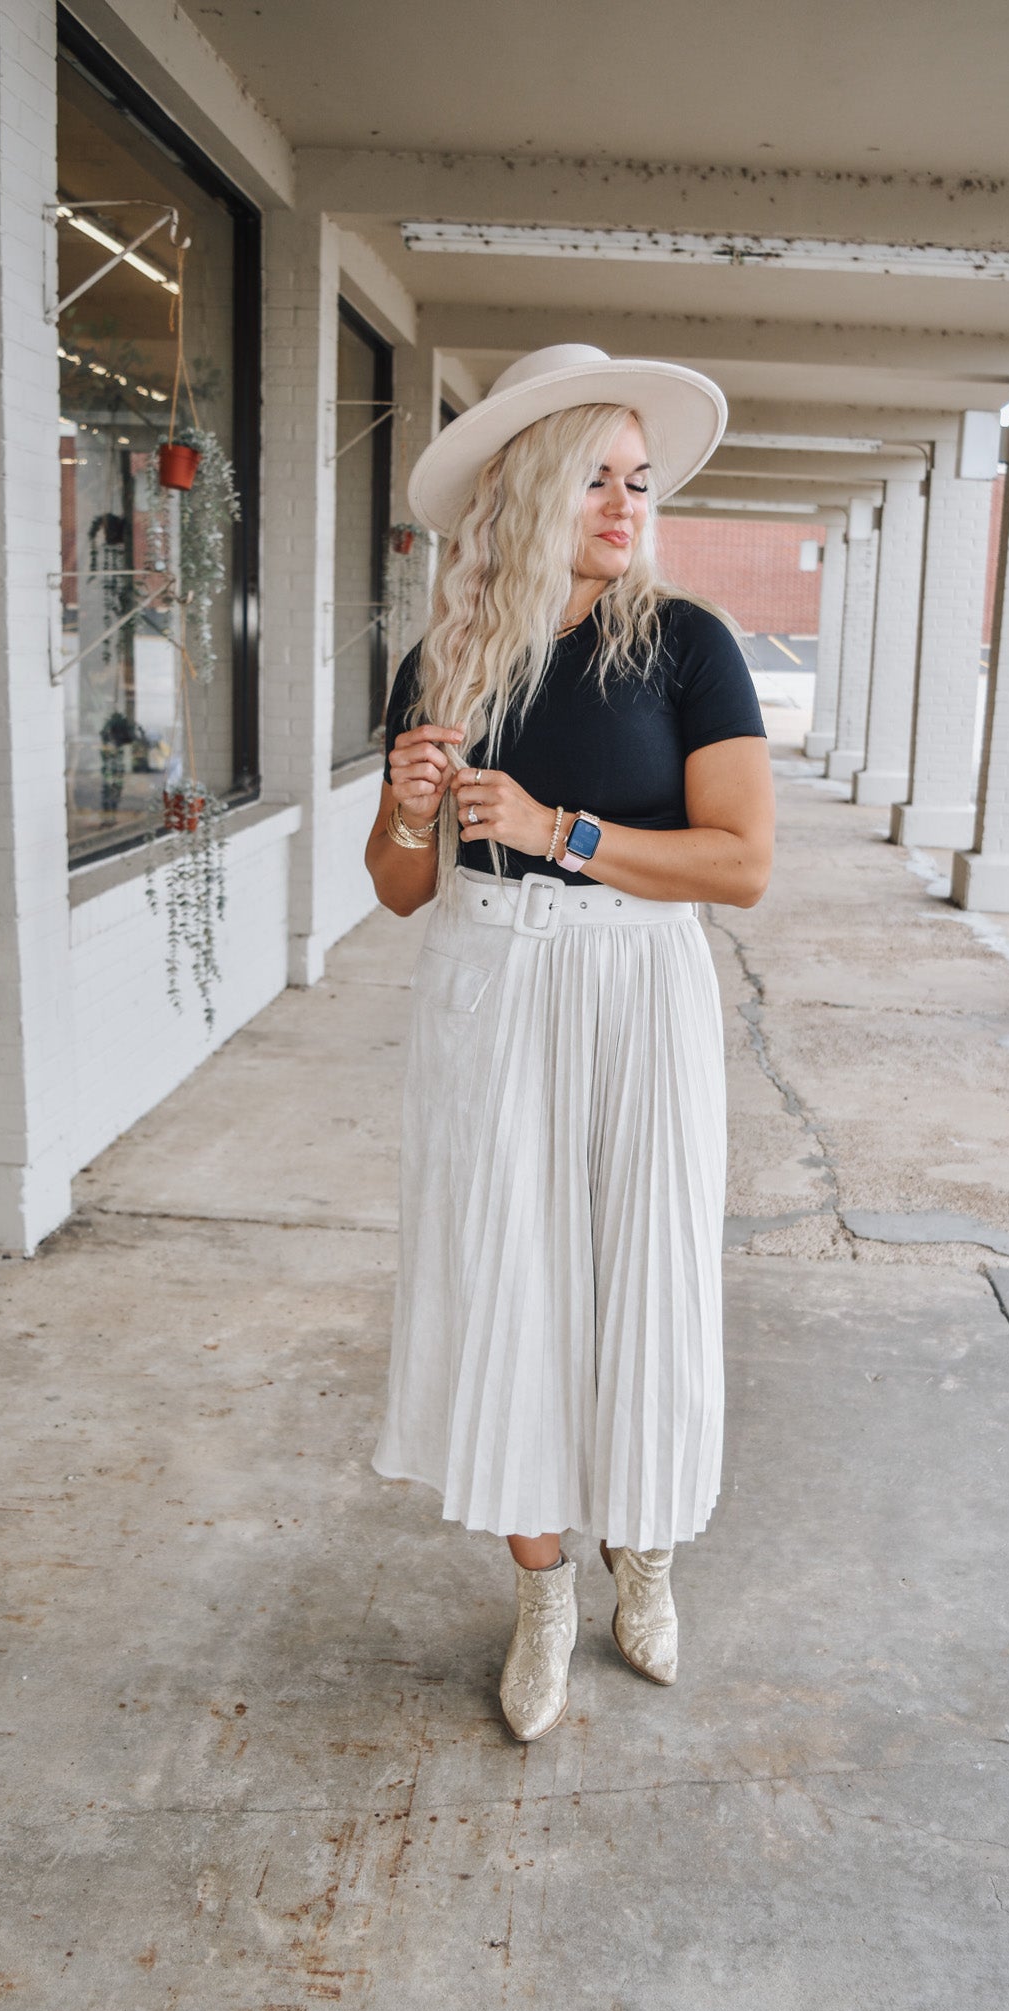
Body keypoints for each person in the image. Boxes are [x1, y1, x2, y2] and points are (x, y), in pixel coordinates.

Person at [365, 343, 775, 1742]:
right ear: (530, 485)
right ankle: (541, 1596)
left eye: (638, 480)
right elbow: (401, 885)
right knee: (503, 1282)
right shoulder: (449, 654)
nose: (625, 503)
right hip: (486, 984)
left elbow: (739, 866)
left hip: (633, 989)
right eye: (595, 477)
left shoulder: (687, 646)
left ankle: (643, 1561)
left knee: (640, 1267)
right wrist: (412, 804)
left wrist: (564, 835)